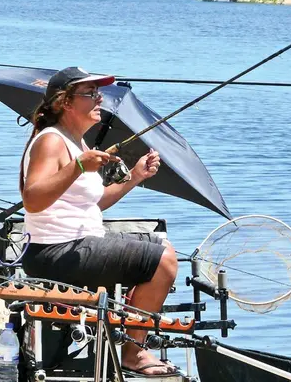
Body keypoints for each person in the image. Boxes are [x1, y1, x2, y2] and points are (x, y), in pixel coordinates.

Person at [19, 67, 177, 376]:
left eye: (98, 93)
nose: (99, 99)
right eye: (90, 94)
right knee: (164, 261)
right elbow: (32, 199)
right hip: (54, 252)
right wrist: (79, 165)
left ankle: (127, 336)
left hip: (75, 245)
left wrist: (135, 177)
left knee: (160, 249)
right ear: (65, 102)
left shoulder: (76, 143)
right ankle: (134, 353)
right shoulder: (51, 142)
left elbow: (95, 201)